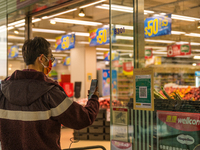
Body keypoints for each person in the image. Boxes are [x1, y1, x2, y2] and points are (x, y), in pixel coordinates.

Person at [0, 37, 99, 150]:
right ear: (42, 58)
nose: (51, 61)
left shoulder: (3, 91)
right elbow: (82, 119)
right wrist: (93, 99)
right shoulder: (51, 93)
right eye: (50, 57)